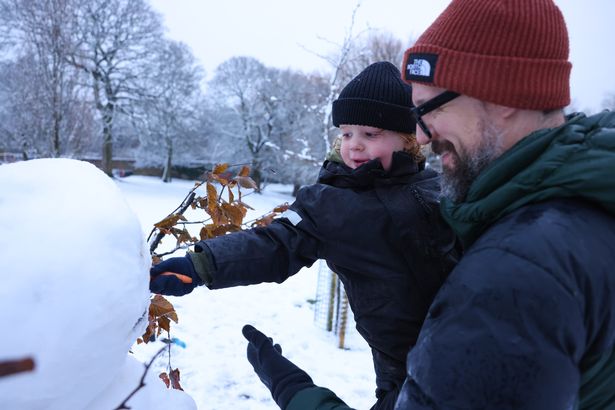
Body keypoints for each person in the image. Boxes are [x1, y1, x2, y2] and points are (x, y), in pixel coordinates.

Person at [239, 0, 615, 409]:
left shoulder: (513, 275)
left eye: (430, 109)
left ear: (506, 95)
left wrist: (296, 393)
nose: (420, 137)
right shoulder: (590, 213)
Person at [149, 61, 459, 409]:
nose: (354, 146)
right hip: (401, 368)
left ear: (408, 140)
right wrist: (201, 265)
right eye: (345, 133)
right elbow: (276, 244)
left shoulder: (438, 189)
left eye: (370, 135)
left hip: (464, 349)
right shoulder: (332, 204)